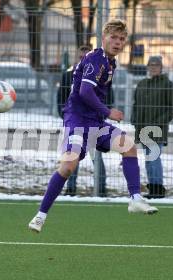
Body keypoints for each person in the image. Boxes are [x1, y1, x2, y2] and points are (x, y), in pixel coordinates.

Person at [28, 19, 158, 233]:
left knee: (128, 146)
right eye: (113, 37)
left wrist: (102, 114)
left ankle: (135, 198)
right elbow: (84, 92)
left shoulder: (109, 61)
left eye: (121, 39)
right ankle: (40, 216)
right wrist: (108, 112)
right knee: (68, 167)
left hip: (94, 122)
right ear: (103, 38)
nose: (117, 42)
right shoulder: (96, 60)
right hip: (78, 121)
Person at [57, 45, 112, 197]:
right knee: (72, 156)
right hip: (75, 122)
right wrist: (67, 117)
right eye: (80, 57)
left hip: (94, 123)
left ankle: (100, 189)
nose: (83, 59)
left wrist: (104, 113)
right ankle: (71, 189)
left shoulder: (103, 72)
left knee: (96, 158)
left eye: (85, 57)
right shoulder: (68, 75)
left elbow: (108, 95)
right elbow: (61, 96)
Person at [131, 56, 173, 199]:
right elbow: (135, 105)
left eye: (156, 65)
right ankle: (153, 188)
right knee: (148, 159)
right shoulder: (142, 84)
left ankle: (158, 188)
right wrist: (134, 121)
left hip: (157, 129)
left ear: (161, 67)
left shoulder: (167, 84)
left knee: (154, 158)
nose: (153, 67)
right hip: (142, 129)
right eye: (151, 65)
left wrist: (159, 122)